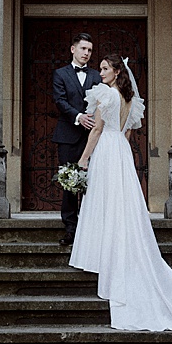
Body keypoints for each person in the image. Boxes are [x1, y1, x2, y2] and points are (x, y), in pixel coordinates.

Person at [69, 54, 172, 331]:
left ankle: (108, 252)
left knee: (106, 203)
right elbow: (126, 134)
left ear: (115, 72)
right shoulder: (130, 99)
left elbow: (97, 130)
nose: (99, 72)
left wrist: (83, 159)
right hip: (122, 154)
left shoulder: (105, 94)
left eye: (104, 68)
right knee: (122, 204)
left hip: (106, 152)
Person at [52, 32, 102, 246]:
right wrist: (79, 116)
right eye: (83, 49)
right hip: (68, 137)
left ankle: (91, 231)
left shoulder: (97, 76)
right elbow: (59, 101)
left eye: (89, 50)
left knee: (94, 183)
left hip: (93, 138)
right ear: (73, 49)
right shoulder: (60, 74)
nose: (86, 53)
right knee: (70, 184)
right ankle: (71, 230)